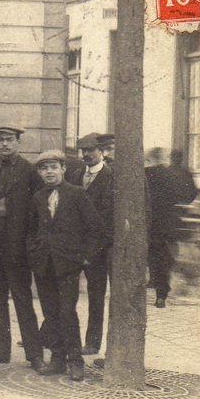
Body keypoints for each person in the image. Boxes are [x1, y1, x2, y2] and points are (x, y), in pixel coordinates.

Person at [27, 150, 103, 382]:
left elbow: (95, 228)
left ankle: (75, 361)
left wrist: (86, 258)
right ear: (40, 173)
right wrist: (33, 253)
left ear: (63, 169)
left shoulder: (78, 194)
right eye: (44, 168)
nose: (49, 172)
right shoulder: (38, 197)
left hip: (68, 265)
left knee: (67, 312)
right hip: (44, 264)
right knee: (50, 312)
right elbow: (31, 230)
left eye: (53, 167)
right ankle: (57, 359)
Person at [0, 125, 43, 369]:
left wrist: (26, 241)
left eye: (9, 139)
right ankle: (1, 351)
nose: (4, 144)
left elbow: (37, 210)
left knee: (23, 299)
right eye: (1, 139)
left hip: (18, 246)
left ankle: (34, 354)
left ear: (18, 142)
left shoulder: (30, 171)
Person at [65, 133, 114, 354]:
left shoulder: (111, 177)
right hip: (74, 246)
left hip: (98, 249)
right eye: (83, 151)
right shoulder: (74, 174)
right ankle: (54, 334)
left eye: (91, 151)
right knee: (65, 292)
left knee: (96, 296)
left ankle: (92, 343)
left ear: (102, 152)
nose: (86, 155)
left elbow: (108, 217)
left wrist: (95, 246)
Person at [145, 147, 198, 309]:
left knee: (152, 253)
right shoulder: (173, 174)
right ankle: (161, 294)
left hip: (149, 221)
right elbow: (189, 193)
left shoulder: (145, 174)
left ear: (151, 158)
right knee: (163, 255)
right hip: (169, 221)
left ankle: (154, 282)